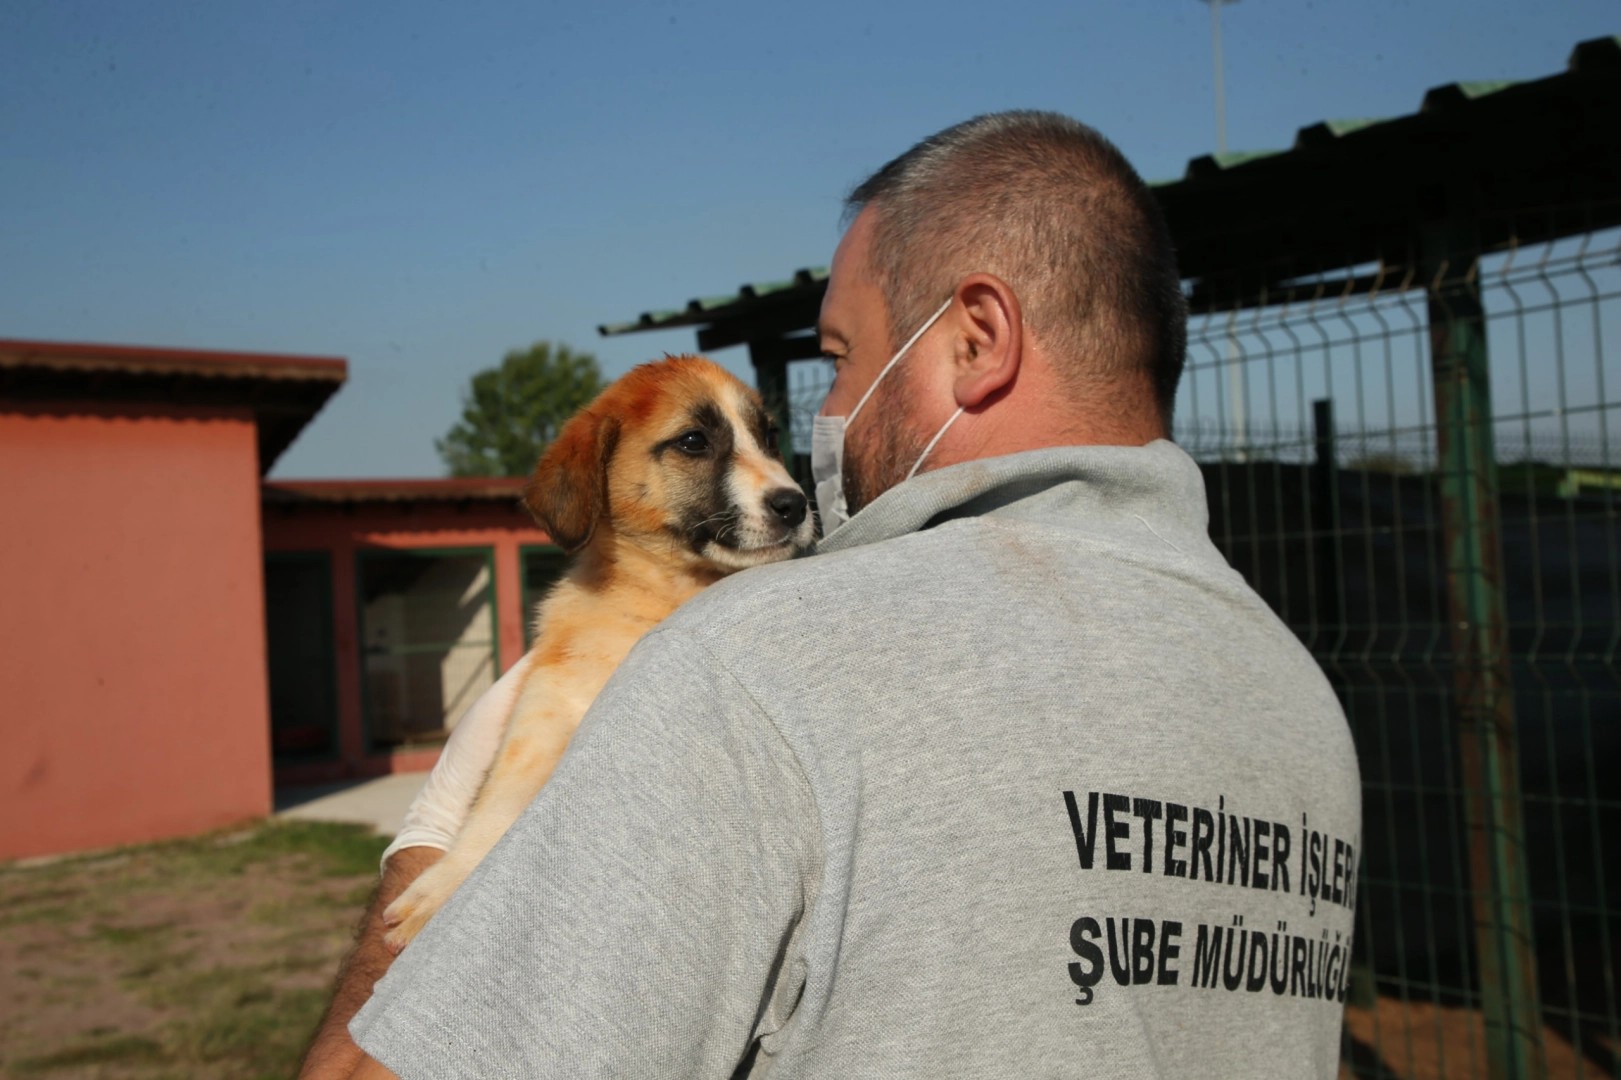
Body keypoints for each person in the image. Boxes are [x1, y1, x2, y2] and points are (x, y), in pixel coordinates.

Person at [323, 111, 1361, 1079]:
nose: (826, 415)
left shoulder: (759, 663)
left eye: (840, 357)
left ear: (976, 342)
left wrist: (437, 838)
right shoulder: (1298, 698)